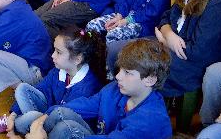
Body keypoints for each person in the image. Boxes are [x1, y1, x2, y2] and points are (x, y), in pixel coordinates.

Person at [31, 38, 172, 139]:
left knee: (63, 129)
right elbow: (85, 104)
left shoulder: (150, 120)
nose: (118, 76)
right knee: (59, 113)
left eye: (127, 72)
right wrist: (45, 117)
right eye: (120, 69)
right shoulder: (116, 89)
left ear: (150, 79)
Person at [0, 28, 106, 135]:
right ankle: (15, 121)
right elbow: (40, 89)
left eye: (58, 52)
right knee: (22, 88)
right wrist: (13, 113)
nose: (52, 56)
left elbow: (62, 116)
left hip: (59, 128)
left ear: (77, 59)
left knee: (30, 117)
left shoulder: (88, 86)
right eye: (54, 50)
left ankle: (15, 126)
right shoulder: (59, 70)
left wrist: (37, 120)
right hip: (48, 113)